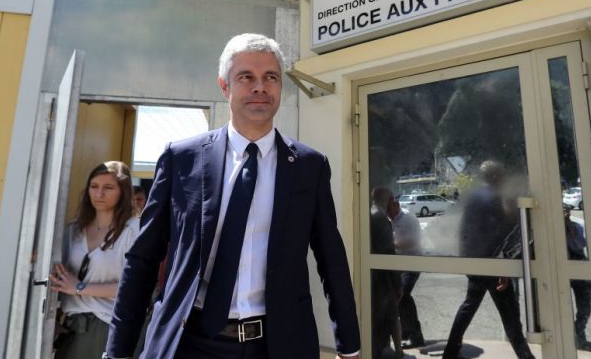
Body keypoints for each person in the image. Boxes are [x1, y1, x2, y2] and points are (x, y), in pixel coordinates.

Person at [105, 33, 360, 359]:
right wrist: (117, 351)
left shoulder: (309, 166)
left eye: (271, 77)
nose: (260, 87)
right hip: (188, 343)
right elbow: (143, 258)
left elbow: (331, 258)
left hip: (277, 345)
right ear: (224, 86)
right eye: (246, 77)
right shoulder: (181, 158)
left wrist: (349, 345)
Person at [442, 161, 535, 359]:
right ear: (495, 177)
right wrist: (501, 268)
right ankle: (526, 356)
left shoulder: (475, 197)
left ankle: (450, 353)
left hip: (475, 262)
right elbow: (496, 234)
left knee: (469, 306)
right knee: (510, 315)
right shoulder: (493, 197)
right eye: (502, 176)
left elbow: (466, 231)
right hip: (490, 265)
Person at [50, 161, 140, 358]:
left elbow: (135, 287)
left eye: (108, 188)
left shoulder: (134, 230)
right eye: (94, 187)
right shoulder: (73, 230)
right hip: (70, 328)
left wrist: (80, 287)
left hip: (109, 326)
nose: (99, 194)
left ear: (123, 192)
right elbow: (56, 278)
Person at [384, 197, 425, 349]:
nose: (388, 213)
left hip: (412, 262)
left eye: (389, 209)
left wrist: (389, 244)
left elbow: (412, 241)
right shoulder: (390, 220)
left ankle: (416, 336)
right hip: (399, 264)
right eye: (386, 210)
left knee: (403, 295)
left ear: (397, 205)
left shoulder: (409, 218)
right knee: (399, 295)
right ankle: (408, 331)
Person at [370, 187, 403, 359]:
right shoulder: (381, 219)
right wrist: (398, 285)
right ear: (387, 199)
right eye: (392, 198)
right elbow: (389, 254)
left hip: (374, 278)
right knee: (389, 318)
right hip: (382, 281)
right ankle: (396, 353)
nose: (394, 202)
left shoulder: (371, 214)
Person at [564, 205, 591, 352]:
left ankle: (579, 334)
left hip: (578, 263)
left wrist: (570, 229)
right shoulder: (549, 230)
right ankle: (566, 336)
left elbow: (580, 245)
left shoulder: (576, 226)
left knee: (584, 305)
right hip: (560, 267)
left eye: (566, 212)